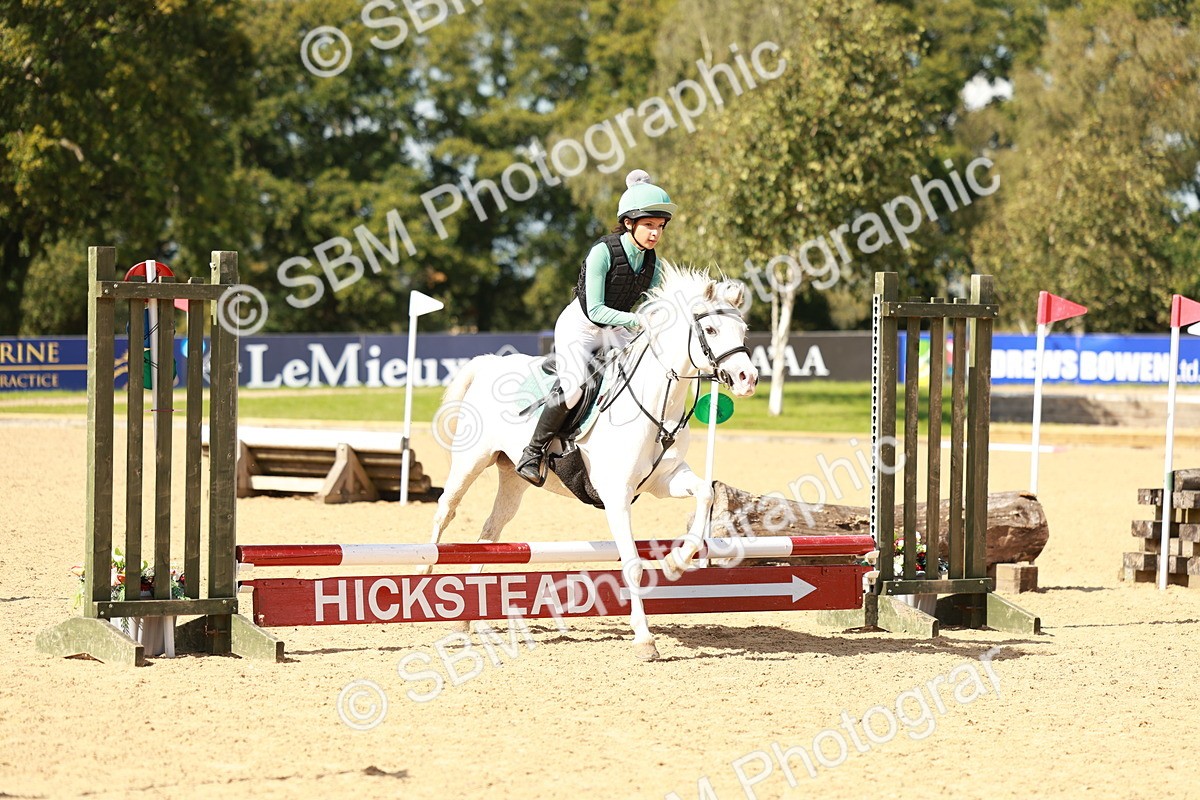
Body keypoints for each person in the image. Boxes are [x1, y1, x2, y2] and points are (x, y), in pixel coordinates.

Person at [515, 169, 676, 486]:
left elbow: (653, 302)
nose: (655, 233)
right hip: (581, 326)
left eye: (659, 227)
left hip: (616, 330)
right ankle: (531, 454)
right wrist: (638, 320)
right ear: (629, 223)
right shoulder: (602, 252)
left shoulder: (652, 262)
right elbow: (596, 309)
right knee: (574, 389)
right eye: (648, 226)